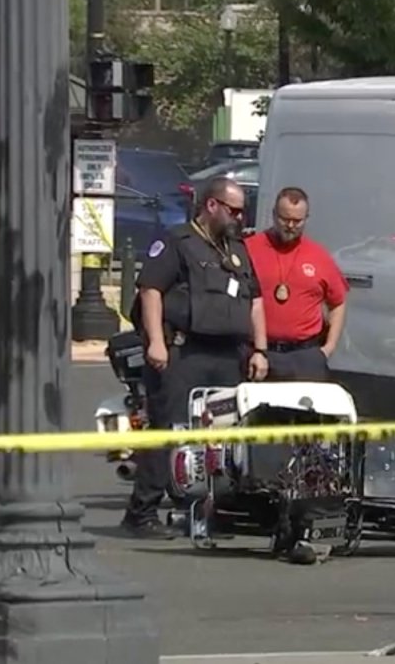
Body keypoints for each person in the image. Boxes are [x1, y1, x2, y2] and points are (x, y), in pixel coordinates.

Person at [120, 177, 269, 540]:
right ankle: (141, 512)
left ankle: (204, 510)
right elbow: (151, 290)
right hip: (183, 351)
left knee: (221, 437)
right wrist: (156, 341)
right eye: (233, 210)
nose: (239, 216)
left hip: (227, 354)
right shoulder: (177, 241)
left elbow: (255, 301)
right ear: (212, 205)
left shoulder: (236, 249)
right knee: (169, 431)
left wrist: (260, 349)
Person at [244, 187, 348, 381]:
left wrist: (328, 348)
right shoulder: (249, 249)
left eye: (297, 221)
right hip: (260, 353)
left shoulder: (319, 256)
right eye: (285, 219)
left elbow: (338, 302)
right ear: (274, 215)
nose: (291, 226)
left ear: (306, 218)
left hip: (305, 356)